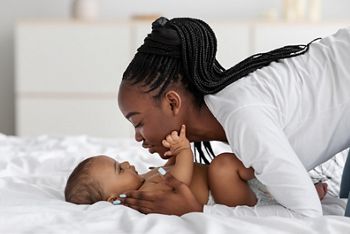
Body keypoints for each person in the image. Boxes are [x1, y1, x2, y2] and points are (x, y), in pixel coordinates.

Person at [116, 16, 350, 218]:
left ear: (172, 102)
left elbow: (307, 213)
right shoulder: (233, 108)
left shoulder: (242, 117)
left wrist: (198, 210)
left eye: (138, 123)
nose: (137, 137)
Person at [64, 125, 328, 207]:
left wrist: (169, 157)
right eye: (119, 170)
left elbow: (168, 170)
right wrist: (183, 151)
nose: (125, 162)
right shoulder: (146, 195)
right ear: (113, 197)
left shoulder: (144, 179)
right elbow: (180, 178)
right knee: (223, 165)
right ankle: (291, 190)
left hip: (229, 185)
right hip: (224, 194)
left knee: (237, 161)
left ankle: (284, 175)